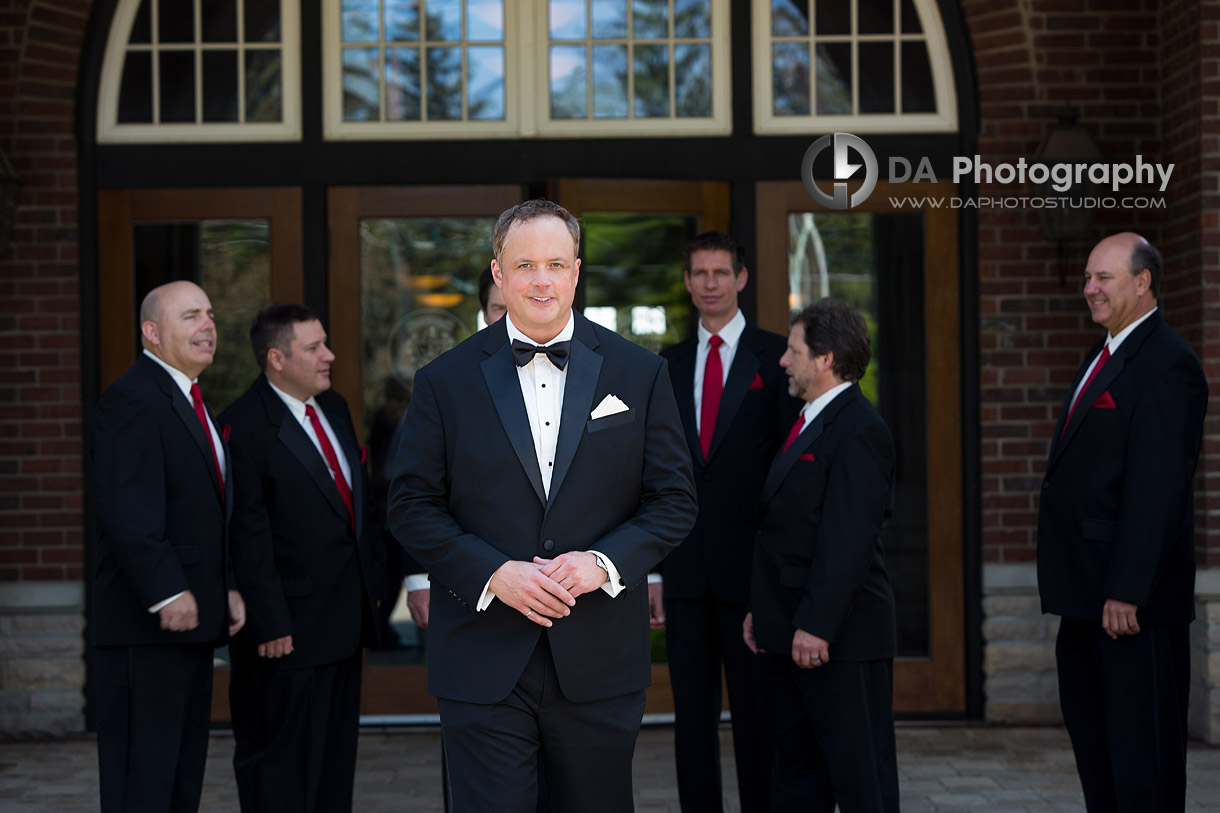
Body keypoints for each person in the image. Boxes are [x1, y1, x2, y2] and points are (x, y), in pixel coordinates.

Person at [388, 198, 697, 812]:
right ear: (498, 273)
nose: (541, 280)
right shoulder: (443, 381)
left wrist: (602, 565)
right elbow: (410, 504)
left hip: (600, 659)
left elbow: (675, 500)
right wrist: (493, 574)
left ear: (576, 272)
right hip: (482, 658)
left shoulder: (639, 373)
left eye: (555, 264)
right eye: (524, 264)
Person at [1037, 232, 1207, 812]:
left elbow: (1157, 491)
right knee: (1100, 764)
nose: (1090, 289)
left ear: (1143, 282)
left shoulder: (1168, 363)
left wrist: (1126, 590)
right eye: (1087, 277)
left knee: (1143, 773)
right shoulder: (1100, 355)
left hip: (1130, 610)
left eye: (1103, 278)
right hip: (1086, 602)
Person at [655, 231, 799, 813]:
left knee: (757, 719)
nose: (710, 283)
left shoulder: (777, 356)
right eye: (699, 273)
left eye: (721, 272)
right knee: (691, 722)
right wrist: (651, 573)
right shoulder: (665, 364)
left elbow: (792, 468)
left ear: (741, 279)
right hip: (686, 574)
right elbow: (653, 472)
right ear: (688, 283)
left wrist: (781, 571)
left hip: (753, 577)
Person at [220, 304, 384, 812]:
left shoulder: (332, 407)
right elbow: (246, 532)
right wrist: (268, 623)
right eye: (314, 348)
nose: (328, 355)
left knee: (334, 762)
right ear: (276, 358)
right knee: (280, 766)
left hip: (340, 623)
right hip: (283, 633)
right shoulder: (243, 427)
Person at [90, 280, 246, 812]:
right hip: (146, 627)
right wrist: (165, 592)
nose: (207, 326)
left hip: (191, 625)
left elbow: (201, 514)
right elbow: (127, 511)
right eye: (190, 316)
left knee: (180, 779)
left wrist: (223, 584)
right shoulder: (132, 400)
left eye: (209, 314)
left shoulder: (189, 398)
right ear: (151, 333)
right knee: (144, 782)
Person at [744, 298, 899, 813]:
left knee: (860, 781)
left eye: (793, 351)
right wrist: (763, 612)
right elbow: (787, 530)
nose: (784, 361)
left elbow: (846, 541)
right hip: (790, 630)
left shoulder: (860, 430)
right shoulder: (809, 419)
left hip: (839, 639)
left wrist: (817, 625)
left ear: (826, 358)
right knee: (798, 775)